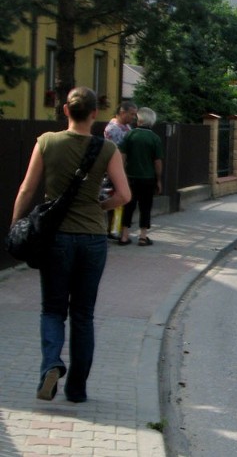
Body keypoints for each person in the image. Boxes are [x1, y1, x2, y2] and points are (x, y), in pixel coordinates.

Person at [10, 87, 131, 402]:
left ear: (66, 110)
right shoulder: (106, 149)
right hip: (92, 239)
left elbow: (26, 189)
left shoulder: (47, 142)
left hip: (56, 239)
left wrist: (16, 225)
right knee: (83, 314)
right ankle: (77, 389)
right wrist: (98, 208)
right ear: (94, 113)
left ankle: (51, 364)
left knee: (52, 309)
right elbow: (124, 196)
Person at [118, 107, 164, 246]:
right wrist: (159, 179)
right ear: (151, 122)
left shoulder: (130, 135)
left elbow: (122, 156)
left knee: (128, 206)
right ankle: (143, 236)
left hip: (130, 177)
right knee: (145, 206)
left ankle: (124, 236)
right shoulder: (155, 138)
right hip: (147, 178)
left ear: (139, 120)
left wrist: (122, 173)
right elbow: (157, 161)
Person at [103, 101, 137, 239]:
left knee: (121, 200)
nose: (133, 117)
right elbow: (119, 151)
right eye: (131, 114)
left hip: (123, 169)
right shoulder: (113, 129)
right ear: (122, 112)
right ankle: (112, 230)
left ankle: (114, 228)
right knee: (116, 199)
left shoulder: (125, 126)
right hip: (115, 170)